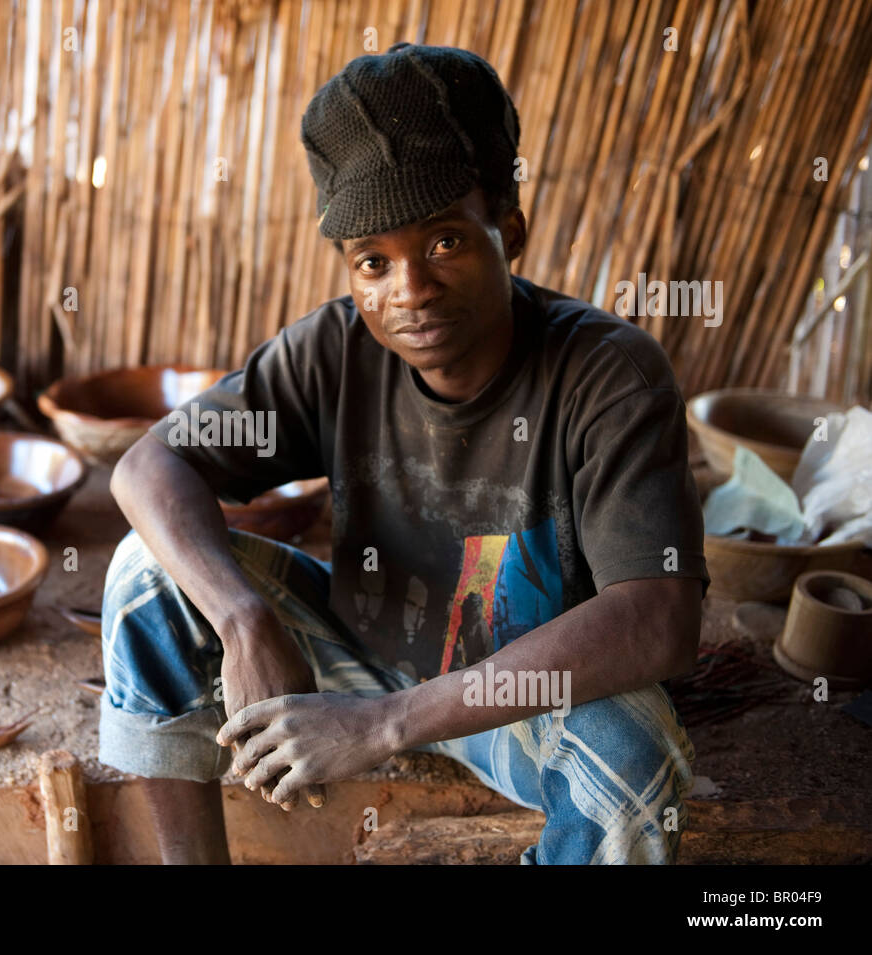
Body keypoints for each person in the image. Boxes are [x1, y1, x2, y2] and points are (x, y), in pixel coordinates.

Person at [98, 43, 709, 865]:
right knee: (147, 572)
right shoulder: (334, 352)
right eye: (373, 262)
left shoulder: (609, 376)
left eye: (446, 242)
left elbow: (659, 619)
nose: (409, 289)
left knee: (634, 757)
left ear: (510, 229)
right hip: (353, 657)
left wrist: (387, 724)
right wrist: (244, 620)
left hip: (519, 705)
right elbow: (148, 467)